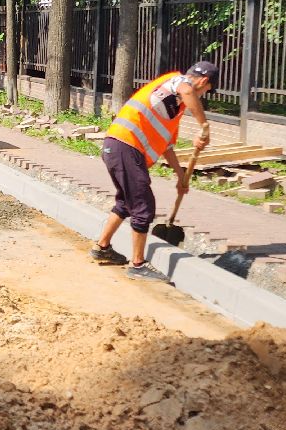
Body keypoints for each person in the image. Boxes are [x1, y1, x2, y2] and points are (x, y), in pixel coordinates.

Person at [91, 61, 218, 280]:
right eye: (207, 90)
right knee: (143, 206)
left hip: (120, 148)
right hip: (125, 146)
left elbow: (167, 146)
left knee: (125, 203)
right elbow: (187, 90)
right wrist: (204, 126)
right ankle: (138, 265)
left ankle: (102, 247)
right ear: (204, 81)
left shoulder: (173, 107)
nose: (204, 95)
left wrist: (181, 177)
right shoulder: (177, 81)